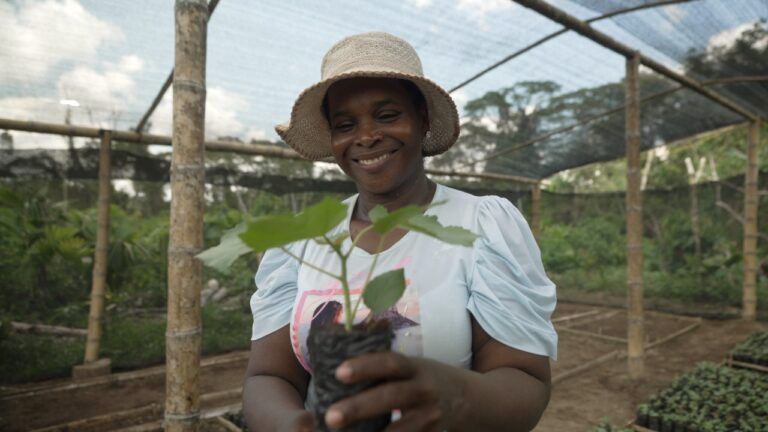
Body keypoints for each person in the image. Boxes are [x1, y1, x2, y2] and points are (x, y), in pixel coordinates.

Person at [243, 32, 557, 432]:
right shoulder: (301, 241)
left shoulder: (479, 225)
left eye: (387, 115)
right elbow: (269, 377)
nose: (367, 135)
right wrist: (294, 425)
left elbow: (526, 380)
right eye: (345, 124)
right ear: (334, 139)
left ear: (423, 119)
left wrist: (461, 397)